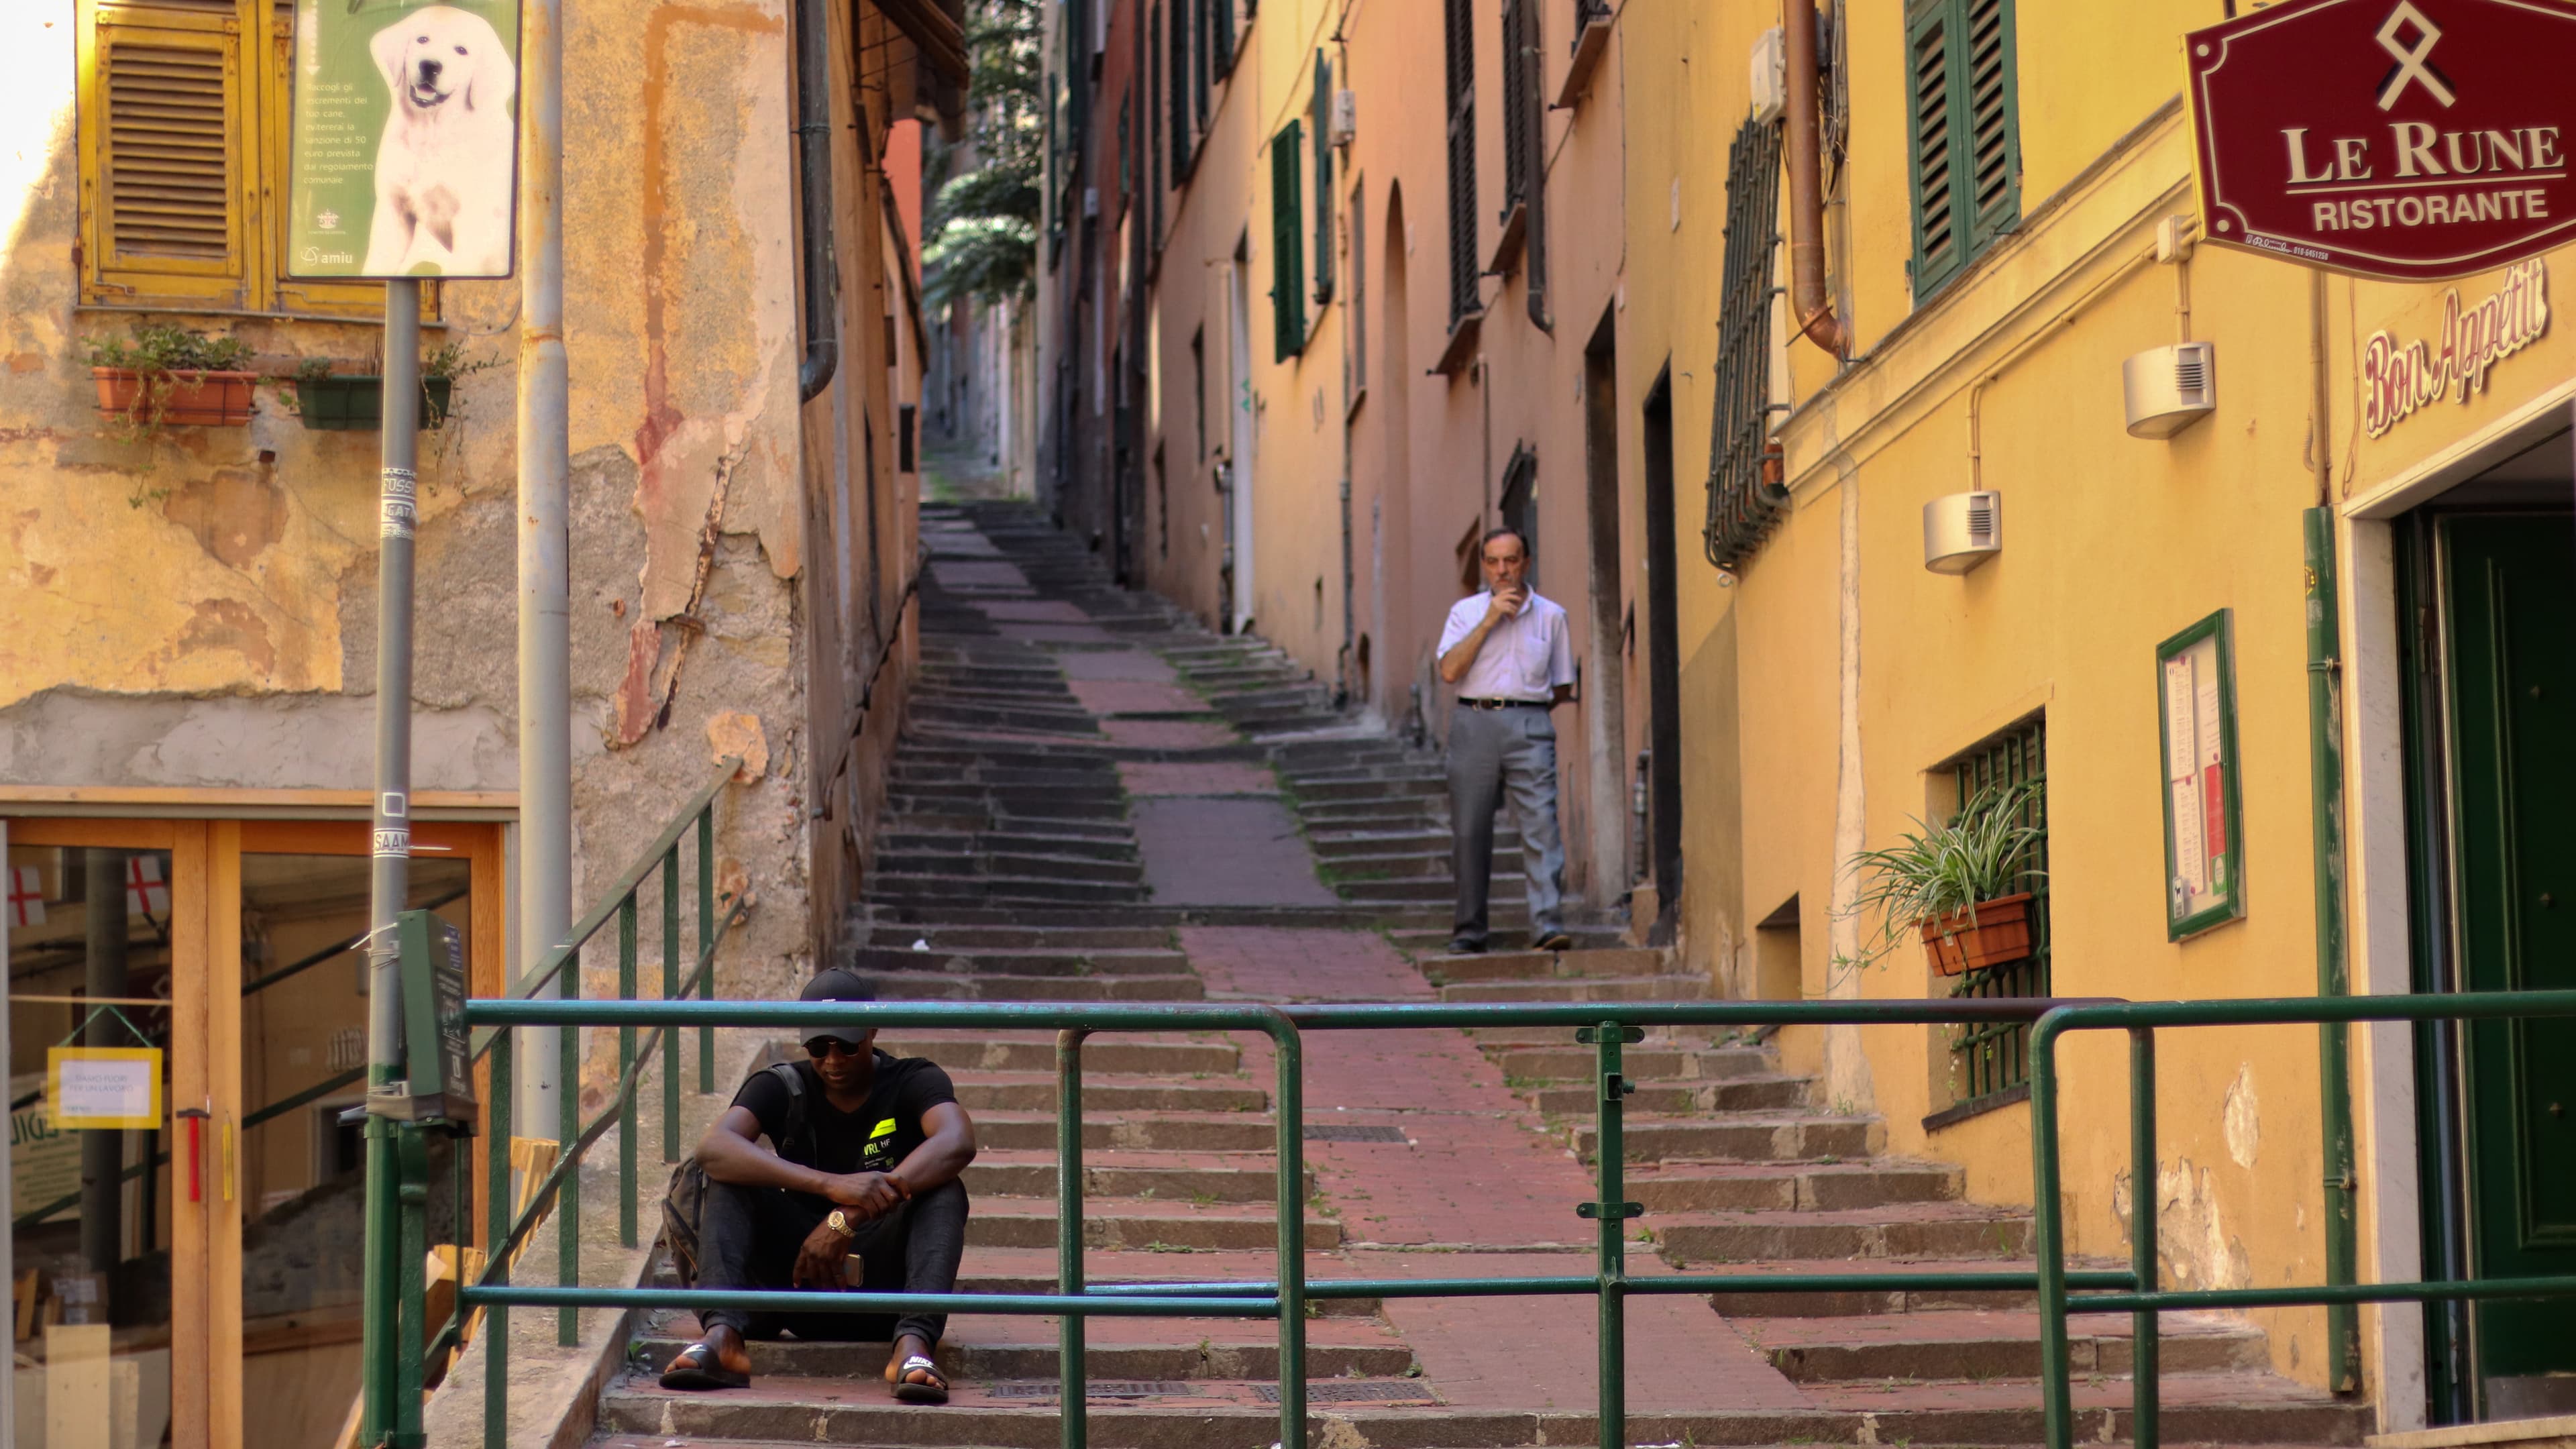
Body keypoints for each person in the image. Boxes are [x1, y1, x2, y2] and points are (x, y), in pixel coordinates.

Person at [658, 967, 977, 1404]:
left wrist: (848, 1217)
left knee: (944, 1191)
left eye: (846, 1044)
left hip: (884, 1293)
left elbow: (957, 1140)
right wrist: (833, 1186)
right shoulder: (781, 1085)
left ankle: (914, 1346)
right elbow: (713, 1148)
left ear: (872, 1030)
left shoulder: (911, 1080)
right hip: (795, 1284)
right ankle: (724, 1339)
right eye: (818, 1046)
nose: (832, 1060)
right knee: (727, 1178)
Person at [1435, 525, 1576, 955]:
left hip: (1530, 723)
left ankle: (1547, 925)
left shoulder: (1552, 616)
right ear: (1484, 567)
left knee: (1542, 827)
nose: (1503, 570)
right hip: (1473, 722)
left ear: (1526, 564)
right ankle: (1470, 930)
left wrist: (1526, 715)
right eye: (1493, 562)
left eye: (1511, 560)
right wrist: (1490, 619)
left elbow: (1564, 686)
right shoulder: (1465, 612)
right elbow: (1449, 671)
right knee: (1470, 831)